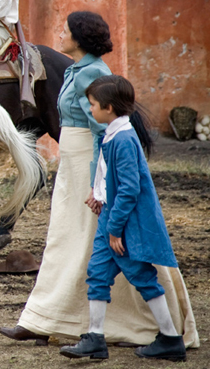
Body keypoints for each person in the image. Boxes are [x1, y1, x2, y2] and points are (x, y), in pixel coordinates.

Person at [0, 11, 198, 347]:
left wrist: (97, 183)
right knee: (66, 240)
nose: (61, 34)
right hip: (74, 162)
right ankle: (44, 318)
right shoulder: (78, 68)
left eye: (66, 30)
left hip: (87, 166)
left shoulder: (92, 72)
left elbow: (100, 134)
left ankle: (144, 325)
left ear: (78, 38)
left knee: (85, 242)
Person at [59, 75, 187, 362]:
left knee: (142, 276)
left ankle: (170, 338)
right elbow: (112, 177)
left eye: (92, 104)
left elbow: (130, 189)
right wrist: (99, 196)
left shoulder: (124, 139)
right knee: (98, 274)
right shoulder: (114, 133)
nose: (89, 108)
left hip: (124, 224)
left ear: (108, 108)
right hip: (111, 219)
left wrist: (115, 229)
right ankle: (94, 338)